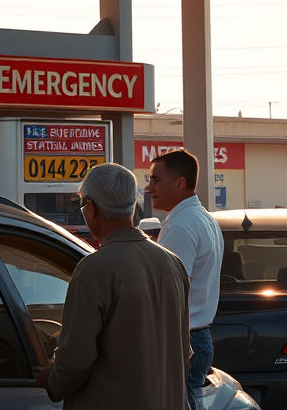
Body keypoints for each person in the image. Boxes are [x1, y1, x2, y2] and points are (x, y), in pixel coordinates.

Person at [32, 163, 189, 409]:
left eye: (81, 204)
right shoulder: (172, 263)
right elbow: (183, 350)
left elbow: (75, 360)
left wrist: (52, 382)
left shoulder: (94, 269)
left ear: (92, 208)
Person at [146, 149, 224, 410]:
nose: (148, 188)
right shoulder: (203, 219)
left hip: (183, 339)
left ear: (179, 183)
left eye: (155, 180)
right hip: (196, 336)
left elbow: (171, 292)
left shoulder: (181, 225)